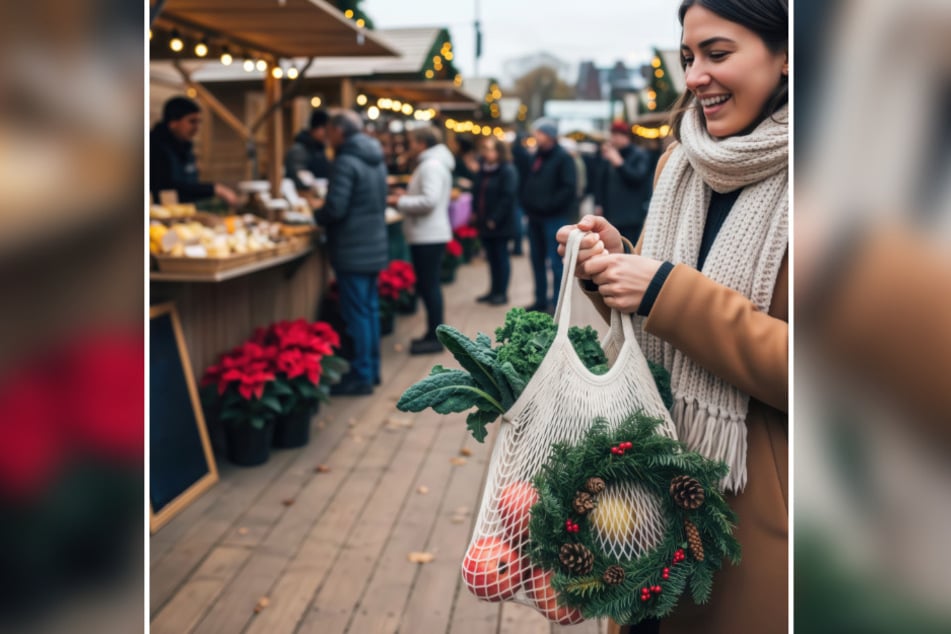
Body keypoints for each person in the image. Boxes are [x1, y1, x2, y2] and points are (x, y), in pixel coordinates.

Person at [558, 1, 788, 632]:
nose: (693, 77)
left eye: (717, 54)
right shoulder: (679, 164)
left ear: (790, 55)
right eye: (688, 58)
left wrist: (665, 291)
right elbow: (665, 304)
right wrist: (614, 267)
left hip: (750, 520)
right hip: (644, 498)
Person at [316, 110, 389, 396]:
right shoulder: (375, 158)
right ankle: (372, 371)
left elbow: (336, 208)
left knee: (358, 313)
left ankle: (361, 375)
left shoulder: (345, 160)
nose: (327, 136)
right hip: (372, 244)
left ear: (339, 132)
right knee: (368, 311)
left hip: (353, 247)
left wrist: (315, 215)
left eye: (330, 130)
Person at [388, 125, 454, 355]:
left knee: (430, 286)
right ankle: (432, 334)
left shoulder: (431, 166)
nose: (409, 146)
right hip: (428, 233)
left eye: (412, 141)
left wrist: (400, 202)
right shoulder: (432, 164)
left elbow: (429, 201)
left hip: (428, 234)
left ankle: (435, 338)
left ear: (422, 143)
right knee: (429, 286)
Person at [520, 118, 578, 313]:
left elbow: (569, 189)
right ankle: (540, 300)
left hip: (554, 218)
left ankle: (557, 303)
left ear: (550, 136)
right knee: (536, 260)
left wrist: (549, 205)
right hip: (535, 217)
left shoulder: (563, 158)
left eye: (540, 133)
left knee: (555, 262)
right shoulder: (536, 156)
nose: (536, 137)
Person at [150, 96, 237, 206]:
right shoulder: (155, 147)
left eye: (198, 122)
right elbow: (167, 186)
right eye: (192, 121)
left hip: (185, 212)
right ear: (173, 122)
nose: (197, 127)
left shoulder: (185, 146)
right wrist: (212, 189)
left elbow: (189, 183)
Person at [472, 136, 519, 305]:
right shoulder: (483, 170)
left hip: (501, 223)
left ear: (499, 151)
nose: (487, 153)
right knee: (491, 257)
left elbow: (507, 197)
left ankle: (502, 292)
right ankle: (492, 290)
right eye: (485, 149)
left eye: (491, 149)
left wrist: (494, 218)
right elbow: (476, 193)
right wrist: (476, 212)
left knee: (501, 256)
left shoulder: (507, 170)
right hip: (484, 222)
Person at [594, 121, 653, 244]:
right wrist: (599, 204)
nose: (613, 139)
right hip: (611, 214)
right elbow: (601, 182)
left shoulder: (639, 154)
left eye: (616, 136)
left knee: (629, 247)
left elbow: (638, 178)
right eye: (612, 135)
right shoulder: (610, 154)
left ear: (625, 137)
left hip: (631, 215)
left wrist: (619, 163)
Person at [284, 107, 331, 191]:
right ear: (318, 129)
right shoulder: (299, 150)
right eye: (326, 130)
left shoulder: (322, 147)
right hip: (303, 195)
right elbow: (298, 175)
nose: (328, 134)